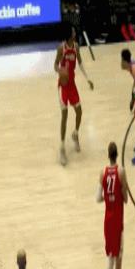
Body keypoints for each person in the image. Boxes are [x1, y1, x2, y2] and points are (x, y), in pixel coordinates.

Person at [54, 24, 94, 166]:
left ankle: (75, 134)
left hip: (72, 85)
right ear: (69, 34)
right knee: (64, 116)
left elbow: (80, 63)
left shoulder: (76, 47)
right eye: (72, 31)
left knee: (79, 112)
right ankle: (62, 148)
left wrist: (88, 79)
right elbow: (55, 65)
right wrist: (61, 71)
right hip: (63, 86)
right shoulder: (61, 48)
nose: (74, 32)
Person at [96, 142, 128, 269]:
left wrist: (107, 198)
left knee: (110, 260)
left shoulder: (102, 172)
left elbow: (97, 198)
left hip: (107, 221)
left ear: (108, 155)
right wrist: (122, 190)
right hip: (117, 221)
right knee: (119, 262)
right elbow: (126, 199)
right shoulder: (121, 171)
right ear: (117, 155)